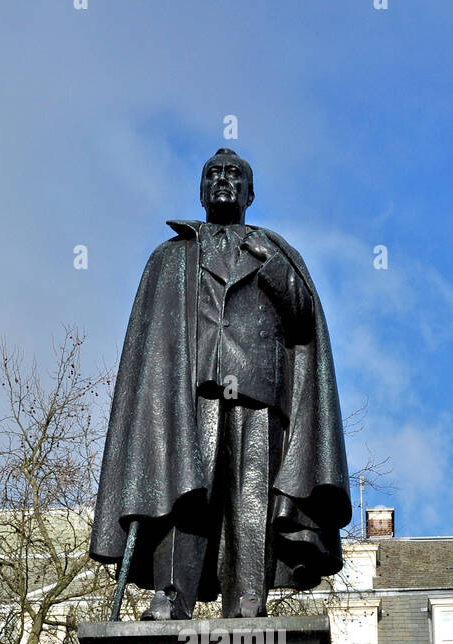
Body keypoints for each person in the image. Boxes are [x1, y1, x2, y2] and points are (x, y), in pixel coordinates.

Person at [90, 149, 351, 619]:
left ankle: (248, 601)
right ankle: (172, 596)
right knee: (186, 490)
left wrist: (269, 262)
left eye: (234, 175)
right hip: (191, 392)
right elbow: (152, 345)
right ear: (201, 190)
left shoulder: (275, 248)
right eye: (213, 174)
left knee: (250, 498)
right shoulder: (172, 257)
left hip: (257, 392)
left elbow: (303, 317)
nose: (223, 180)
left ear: (251, 193)